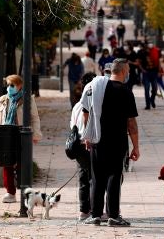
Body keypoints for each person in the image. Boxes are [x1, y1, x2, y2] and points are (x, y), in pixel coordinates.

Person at [81, 59, 140, 226]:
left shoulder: (95, 88)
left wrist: (87, 135)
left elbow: (85, 114)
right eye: (128, 70)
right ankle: (113, 215)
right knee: (114, 176)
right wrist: (136, 146)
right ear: (122, 71)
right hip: (118, 141)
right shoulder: (126, 92)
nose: (128, 73)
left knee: (97, 178)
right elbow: (131, 123)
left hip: (97, 140)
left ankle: (95, 215)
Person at [0, 74, 42, 203]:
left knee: (22, 163)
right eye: (8, 85)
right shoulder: (2, 100)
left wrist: (36, 134)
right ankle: (10, 192)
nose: (9, 88)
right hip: (5, 134)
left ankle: (24, 191)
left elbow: (34, 118)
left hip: (21, 133)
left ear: (19, 85)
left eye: (12, 85)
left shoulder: (28, 99)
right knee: (7, 163)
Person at [70, 72, 97, 221]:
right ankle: (94, 209)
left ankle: (83, 210)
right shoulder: (95, 103)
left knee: (82, 178)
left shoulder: (77, 106)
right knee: (94, 178)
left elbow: (72, 126)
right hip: (91, 143)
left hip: (78, 145)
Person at [137, 43, 159, 110]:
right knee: (146, 89)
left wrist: (159, 71)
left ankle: (152, 100)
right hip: (146, 73)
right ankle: (148, 105)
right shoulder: (141, 53)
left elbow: (158, 61)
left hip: (154, 72)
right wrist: (142, 70)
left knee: (155, 89)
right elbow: (139, 62)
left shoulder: (155, 52)